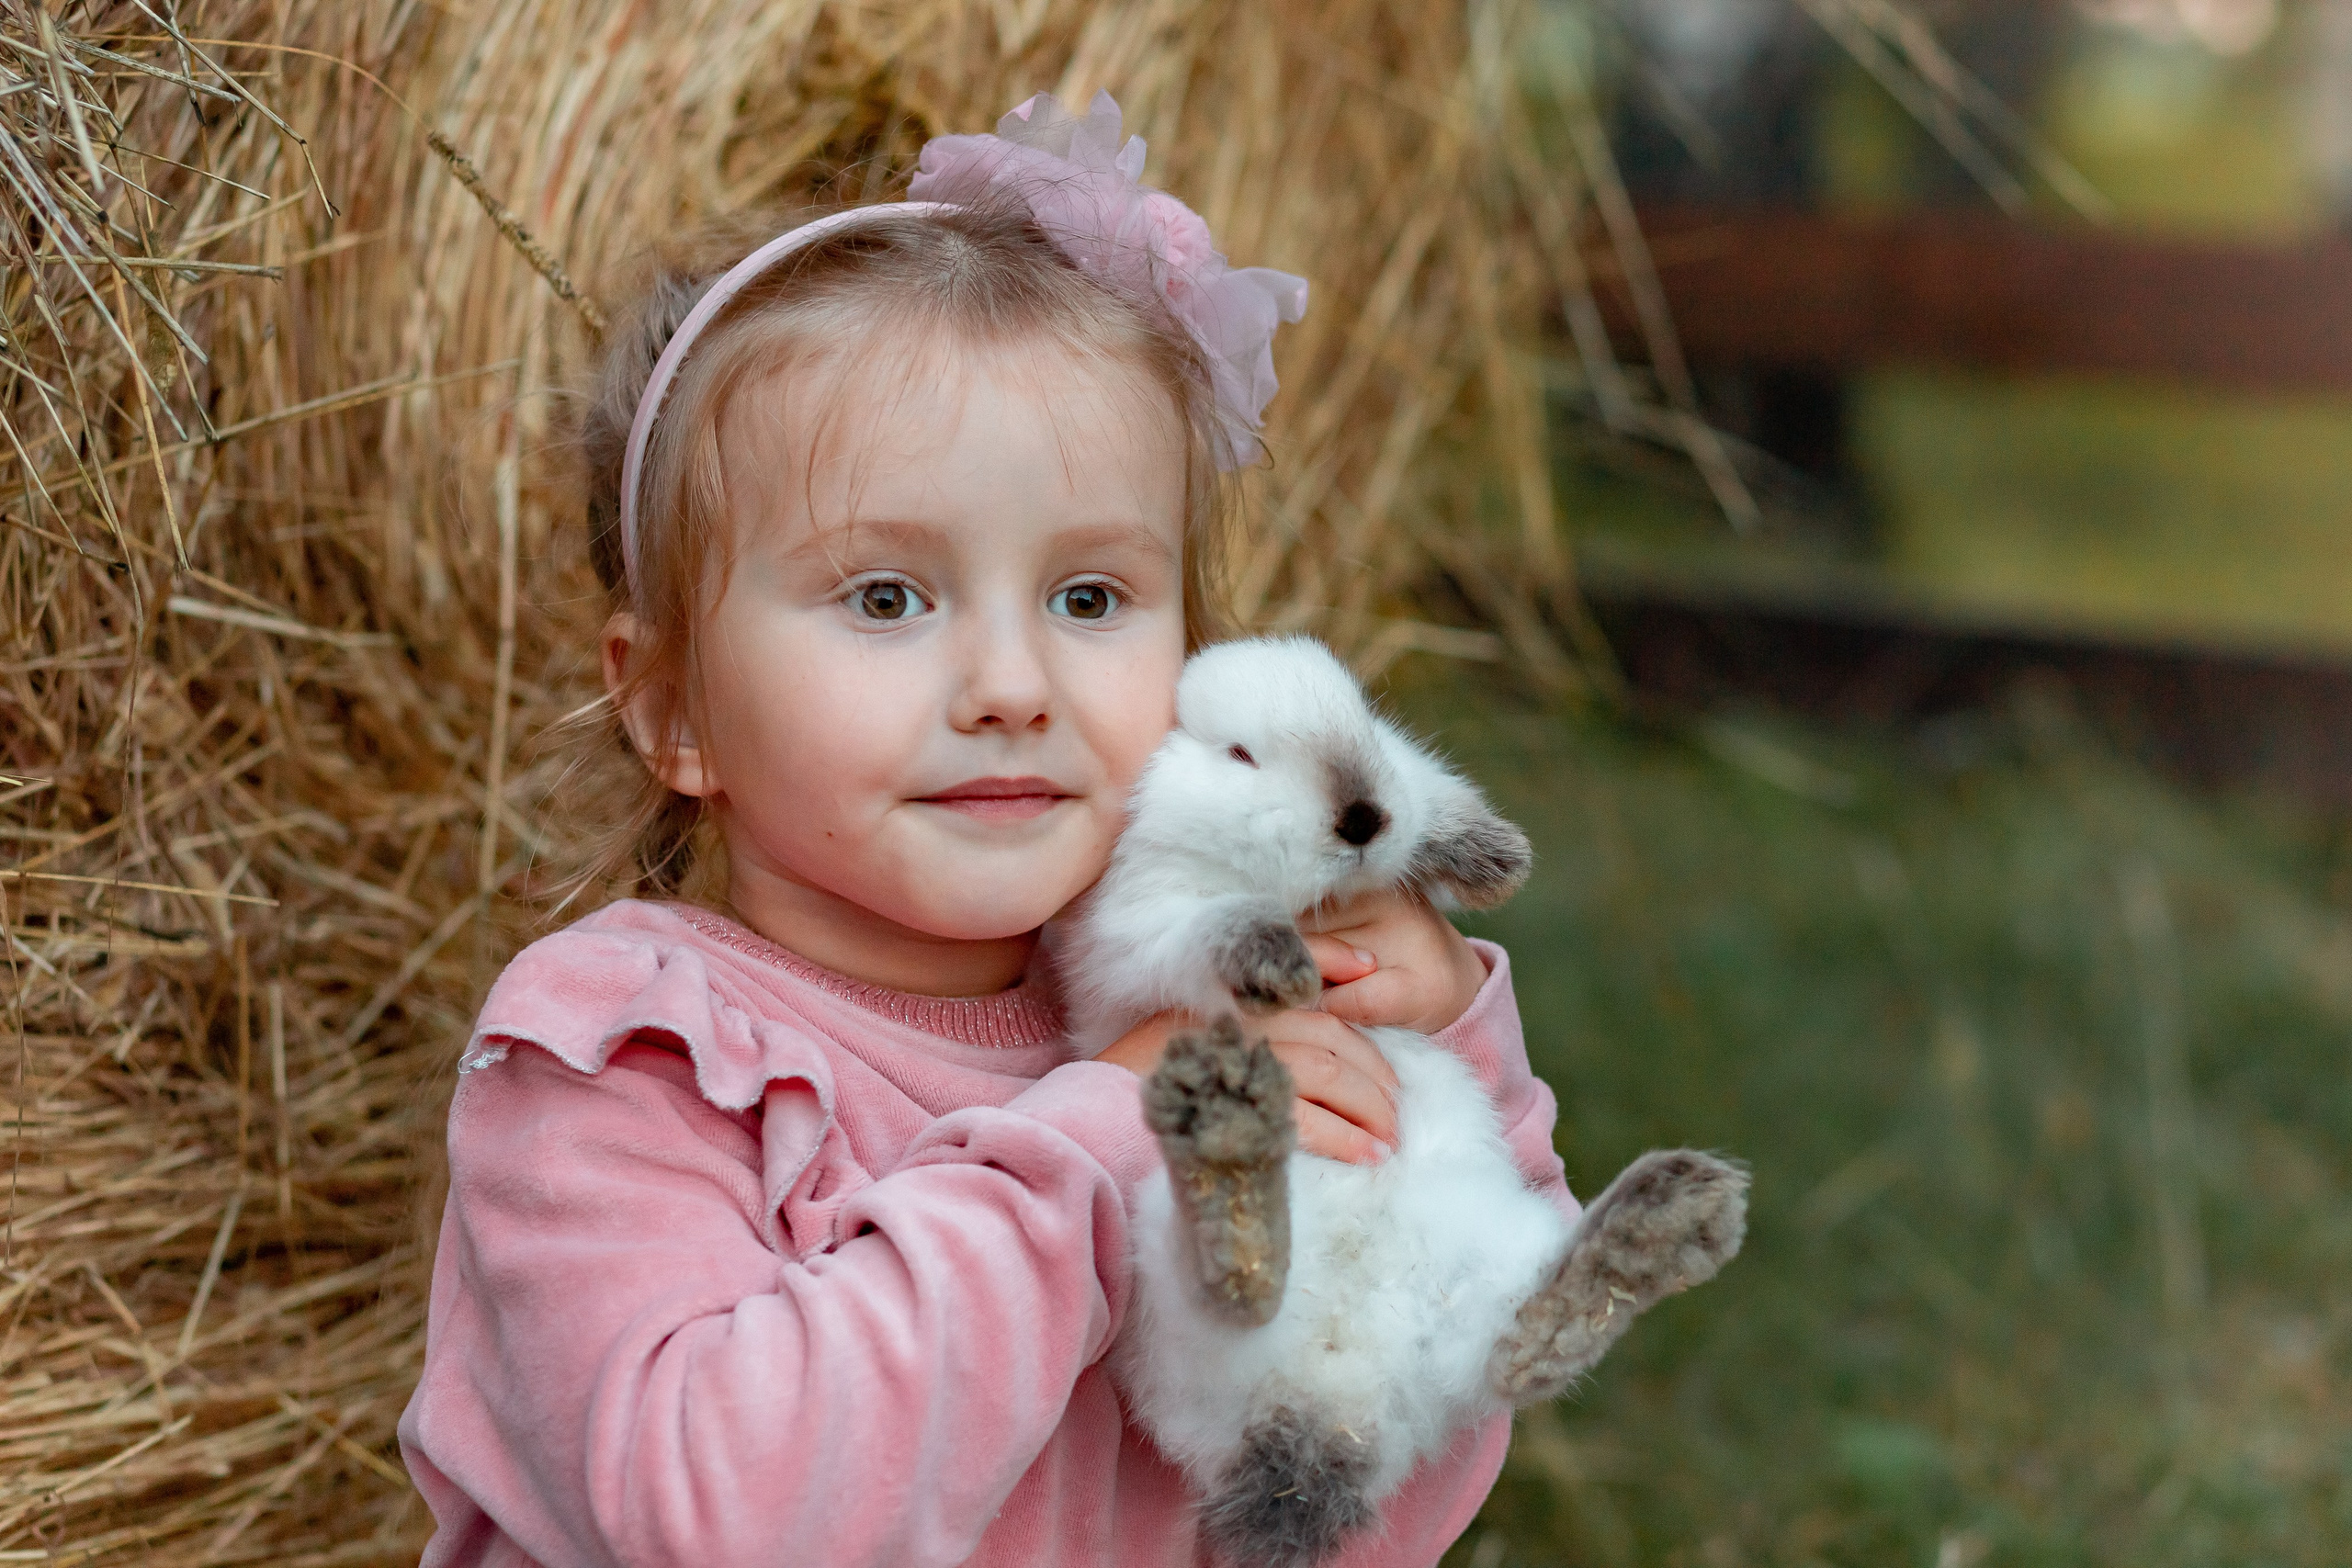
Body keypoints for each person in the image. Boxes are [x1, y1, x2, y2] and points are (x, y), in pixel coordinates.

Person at [395, 90, 1577, 1567]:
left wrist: (1434, 1063)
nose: (1014, 687)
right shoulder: (627, 1059)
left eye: (1090, 600)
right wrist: (1104, 1145)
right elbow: (714, 1517)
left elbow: (1355, 1520)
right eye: (886, 597)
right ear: (670, 707)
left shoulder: (1179, 1021)